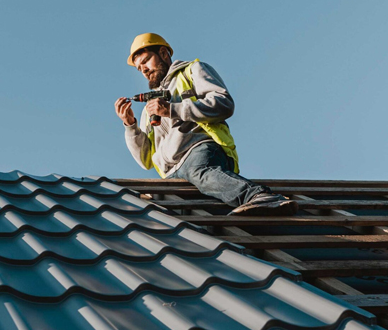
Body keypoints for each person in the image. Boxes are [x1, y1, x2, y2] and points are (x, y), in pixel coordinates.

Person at [114, 33, 298, 216]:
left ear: (163, 53)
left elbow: (223, 104)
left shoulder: (192, 71)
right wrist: (130, 125)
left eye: (146, 61)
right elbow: (145, 160)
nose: (144, 69)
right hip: (171, 174)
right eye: (139, 68)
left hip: (198, 152)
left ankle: (260, 196)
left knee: (200, 172)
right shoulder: (149, 109)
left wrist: (172, 110)